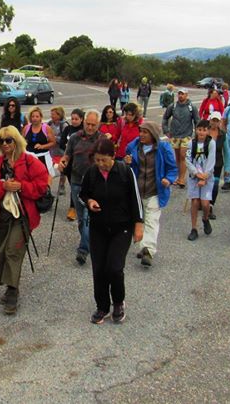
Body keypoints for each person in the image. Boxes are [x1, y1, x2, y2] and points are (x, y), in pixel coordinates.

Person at [0, 127, 49, 315]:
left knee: (13, 250)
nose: (5, 144)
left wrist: (21, 186)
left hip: (22, 215)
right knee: (1, 250)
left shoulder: (29, 162)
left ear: (16, 141)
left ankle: (12, 291)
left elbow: (43, 184)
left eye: (9, 140)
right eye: (2, 141)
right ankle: (10, 286)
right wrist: (2, 186)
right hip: (1, 215)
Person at [79, 138, 143, 324]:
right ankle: (102, 306)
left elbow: (135, 200)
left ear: (113, 156)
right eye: (97, 160)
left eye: (104, 160)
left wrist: (138, 224)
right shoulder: (91, 173)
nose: (100, 164)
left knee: (114, 267)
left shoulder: (125, 171)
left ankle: (118, 302)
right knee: (99, 268)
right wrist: (89, 202)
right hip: (98, 227)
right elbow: (82, 194)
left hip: (121, 227)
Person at [124, 121, 177, 267]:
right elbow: (126, 167)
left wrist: (168, 179)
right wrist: (127, 162)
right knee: (139, 219)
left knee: (152, 220)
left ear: (153, 134)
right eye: (140, 131)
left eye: (145, 132)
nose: (141, 135)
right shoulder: (133, 146)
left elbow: (172, 168)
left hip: (155, 191)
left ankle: (148, 250)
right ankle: (143, 246)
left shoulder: (163, 148)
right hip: (137, 191)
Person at [56, 111, 102, 265]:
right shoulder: (75, 138)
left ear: (98, 125)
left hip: (95, 185)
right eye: (87, 124)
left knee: (88, 218)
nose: (89, 127)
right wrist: (63, 162)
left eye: (93, 125)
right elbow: (67, 155)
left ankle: (83, 250)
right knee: (82, 219)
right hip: (76, 181)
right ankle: (91, 241)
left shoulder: (102, 140)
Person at [162, 88, 200, 189]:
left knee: (183, 156)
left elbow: (197, 121)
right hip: (175, 135)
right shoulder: (173, 106)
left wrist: (198, 133)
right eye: (179, 94)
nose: (180, 96)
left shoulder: (192, 107)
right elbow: (165, 117)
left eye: (182, 94)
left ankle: (182, 179)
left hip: (186, 135)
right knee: (178, 157)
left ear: (186, 95)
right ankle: (178, 177)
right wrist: (166, 130)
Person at [185, 120, 216, 241]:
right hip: (194, 177)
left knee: (205, 203)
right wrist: (196, 173)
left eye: (204, 130)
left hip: (207, 177)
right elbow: (187, 160)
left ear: (208, 131)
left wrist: (205, 176)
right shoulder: (191, 144)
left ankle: (205, 218)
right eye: (199, 129)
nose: (201, 132)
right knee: (195, 201)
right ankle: (194, 228)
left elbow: (211, 161)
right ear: (196, 130)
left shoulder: (211, 143)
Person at [60, 109, 84, 222]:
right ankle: (73, 207)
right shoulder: (67, 129)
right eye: (72, 118)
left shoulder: (84, 130)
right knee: (73, 185)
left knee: (81, 185)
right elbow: (61, 143)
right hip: (69, 162)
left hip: (81, 162)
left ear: (81, 119)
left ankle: (76, 206)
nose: (74, 121)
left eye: (76, 119)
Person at [207, 112, 227, 220]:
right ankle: (204, 202)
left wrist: (227, 168)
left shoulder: (223, 135)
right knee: (205, 184)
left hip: (217, 164)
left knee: (214, 185)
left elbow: (227, 152)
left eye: (217, 121)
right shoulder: (204, 132)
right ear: (210, 120)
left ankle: (210, 205)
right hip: (204, 164)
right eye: (213, 120)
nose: (214, 123)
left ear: (220, 122)